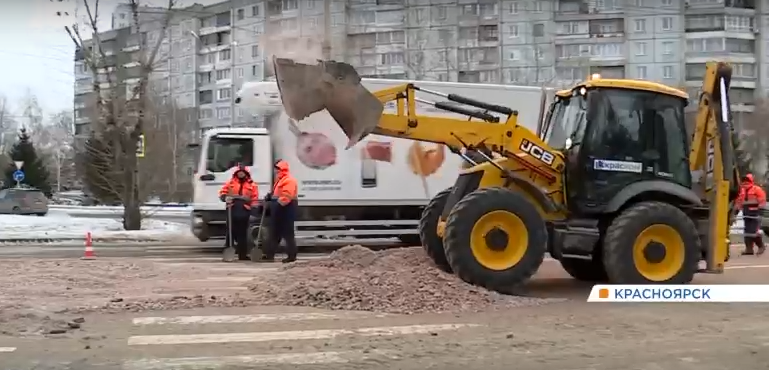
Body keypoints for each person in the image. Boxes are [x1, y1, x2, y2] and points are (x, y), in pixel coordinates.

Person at [218, 164, 259, 260]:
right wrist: (225, 198)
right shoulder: (230, 183)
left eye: (242, 172)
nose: (240, 174)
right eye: (239, 172)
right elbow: (222, 193)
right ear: (236, 173)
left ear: (246, 173)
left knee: (242, 234)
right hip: (232, 209)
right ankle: (227, 252)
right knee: (230, 232)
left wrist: (253, 209)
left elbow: (254, 198)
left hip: (244, 210)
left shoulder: (252, 185)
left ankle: (242, 254)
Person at [263, 159, 299, 263]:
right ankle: (269, 255)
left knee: (288, 233)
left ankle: (292, 256)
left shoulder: (288, 180)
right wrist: (270, 196)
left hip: (286, 208)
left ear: (281, 169)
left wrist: (276, 204)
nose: (274, 171)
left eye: (276, 169)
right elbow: (277, 193)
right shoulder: (281, 180)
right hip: (279, 208)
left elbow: (286, 196)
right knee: (275, 233)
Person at [735, 173, 766, 256]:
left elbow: (762, 200)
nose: (745, 183)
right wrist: (737, 209)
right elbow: (739, 201)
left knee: (753, 231)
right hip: (746, 212)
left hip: (755, 213)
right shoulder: (741, 190)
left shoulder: (757, 189)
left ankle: (761, 246)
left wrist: (760, 210)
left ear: (751, 181)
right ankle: (749, 249)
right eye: (744, 181)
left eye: (747, 181)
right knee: (747, 231)